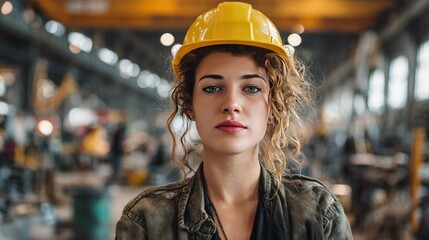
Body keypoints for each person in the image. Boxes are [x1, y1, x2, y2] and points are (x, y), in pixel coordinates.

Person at [116, 2, 353, 239]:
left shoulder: (318, 215)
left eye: (251, 88)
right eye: (212, 88)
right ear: (189, 105)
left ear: (273, 106)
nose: (231, 103)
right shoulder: (147, 221)